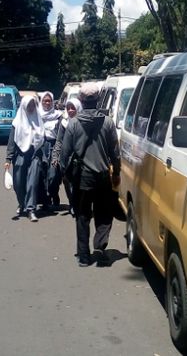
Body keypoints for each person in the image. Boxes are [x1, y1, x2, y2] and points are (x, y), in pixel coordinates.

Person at [61, 82, 121, 267]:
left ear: (81, 100)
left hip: (82, 178)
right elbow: (115, 152)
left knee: (82, 216)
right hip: (103, 177)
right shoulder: (108, 122)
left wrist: (67, 176)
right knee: (104, 214)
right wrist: (116, 172)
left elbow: (65, 154)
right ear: (98, 99)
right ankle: (100, 247)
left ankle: (84, 256)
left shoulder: (73, 124)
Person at [4, 95, 44, 222]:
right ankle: (22, 204)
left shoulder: (38, 119)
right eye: (29, 105)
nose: (31, 107)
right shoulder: (17, 122)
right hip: (20, 155)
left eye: (33, 105)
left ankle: (31, 209)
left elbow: (43, 139)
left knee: (32, 182)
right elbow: (11, 142)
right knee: (18, 183)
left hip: (34, 155)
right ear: (24, 106)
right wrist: (8, 159)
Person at [51, 97, 82, 216]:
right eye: (68, 108)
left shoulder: (83, 122)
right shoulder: (64, 123)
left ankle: (79, 204)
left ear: (78, 108)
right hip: (66, 158)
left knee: (78, 183)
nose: (70, 110)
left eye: (72, 108)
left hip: (80, 158)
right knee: (67, 182)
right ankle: (72, 204)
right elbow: (59, 141)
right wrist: (55, 157)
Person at [38, 91, 63, 210]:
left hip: (54, 145)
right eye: (44, 100)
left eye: (49, 101)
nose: (47, 103)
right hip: (41, 146)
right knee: (42, 173)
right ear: (41, 101)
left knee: (53, 174)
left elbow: (60, 133)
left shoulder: (58, 115)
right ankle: (45, 200)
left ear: (52, 102)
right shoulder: (36, 115)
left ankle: (54, 194)